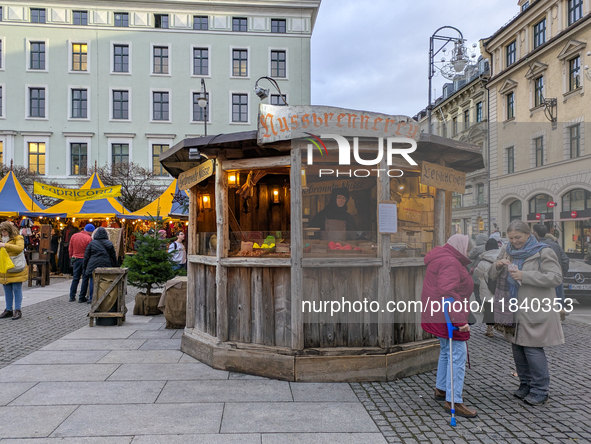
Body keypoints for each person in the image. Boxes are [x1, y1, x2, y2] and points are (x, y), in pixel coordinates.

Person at [488, 220, 563, 406]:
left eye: (518, 237)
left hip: (535, 309)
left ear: (528, 234)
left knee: (533, 348)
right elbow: (490, 274)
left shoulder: (543, 251)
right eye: (511, 237)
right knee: (517, 347)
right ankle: (525, 385)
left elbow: (556, 277)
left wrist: (525, 276)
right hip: (514, 308)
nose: (514, 241)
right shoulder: (507, 250)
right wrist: (497, 265)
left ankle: (540, 390)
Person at [421, 234, 477, 418]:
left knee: (446, 351)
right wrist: (460, 322)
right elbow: (448, 293)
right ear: (460, 247)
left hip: (437, 314)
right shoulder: (451, 262)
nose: (468, 252)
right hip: (447, 316)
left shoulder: (443, 257)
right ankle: (454, 401)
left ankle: (442, 388)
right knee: (457, 356)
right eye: (467, 249)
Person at [0, 221, 29, 320]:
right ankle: (8, 309)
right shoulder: (1, 239)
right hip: (6, 268)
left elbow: (20, 248)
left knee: (16, 289)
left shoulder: (18, 237)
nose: (3, 233)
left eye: (5, 231)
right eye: (2, 231)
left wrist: (5, 245)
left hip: (16, 267)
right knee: (7, 290)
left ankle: (17, 310)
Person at [83, 227, 118, 304]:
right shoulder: (109, 243)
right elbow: (113, 256)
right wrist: (115, 266)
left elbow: (86, 256)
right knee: (104, 281)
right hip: (106, 264)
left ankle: (92, 298)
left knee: (93, 281)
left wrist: (85, 266)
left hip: (93, 264)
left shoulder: (92, 243)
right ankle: (103, 297)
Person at [473, 238, 500, 337]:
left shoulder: (484, 260)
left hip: (487, 287)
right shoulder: (502, 257)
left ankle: (490, 329)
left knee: (489, 309)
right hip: (500, 288)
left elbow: (478, 273)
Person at [69, 224, 94, 303]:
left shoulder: (74, 236)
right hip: (85, 259)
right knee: (85, 278)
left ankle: (72, 296)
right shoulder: (89, 238)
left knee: (75, 278)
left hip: (75, 258)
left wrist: (71, 257)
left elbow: (70, 248)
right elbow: (89, 251)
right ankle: (81, 297)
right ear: (91, 231)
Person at [468, 233, 488, 303]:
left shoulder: (477, 248)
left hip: (477, 271)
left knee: (476, 289)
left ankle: (479, 304)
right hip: (486, 272)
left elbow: (470, 256)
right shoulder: (488, 247)